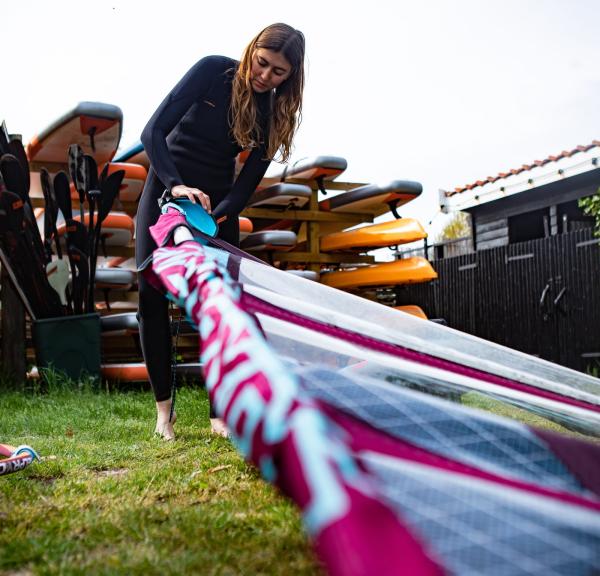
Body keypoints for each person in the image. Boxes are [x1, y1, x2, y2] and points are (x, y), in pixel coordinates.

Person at [136, 23, 306, 440]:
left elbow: (248, 181)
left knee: (224, 301)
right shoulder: (213, 71)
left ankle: (219, 415)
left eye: (278, 72)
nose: (264, 76)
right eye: (262, 63)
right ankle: (163, 415)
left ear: (291, 77)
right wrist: (176, 186)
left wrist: (218, 215)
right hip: (166, 185)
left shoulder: (272, 110)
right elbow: (152, 132)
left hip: (216, 203)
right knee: (150, 294)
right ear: (252, 51)